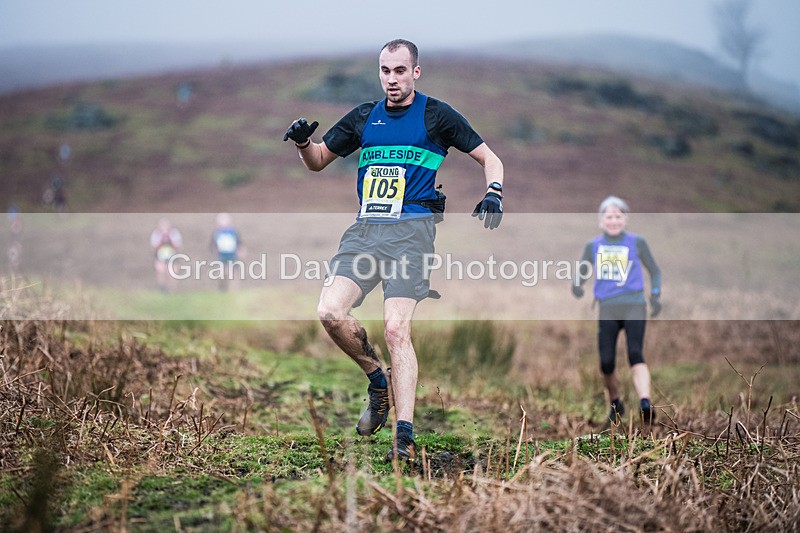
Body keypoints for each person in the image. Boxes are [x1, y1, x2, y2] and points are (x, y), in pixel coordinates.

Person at [283, 39, 505, 462]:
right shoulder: (365, 116)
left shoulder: (437, 115)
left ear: (415, 72)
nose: (392, 79)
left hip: (411, 235)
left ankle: (404, 436)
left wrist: (493, 192)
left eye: (400, 71)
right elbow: (319, 159)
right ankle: (376, 379)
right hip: (365, 233)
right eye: (385, 71)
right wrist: (302, 144)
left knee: (395, 330)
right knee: (330, 312)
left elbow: (490, 158)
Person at [572, 195, 661, 427]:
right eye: (608, 217)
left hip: (634, 305)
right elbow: (582, 271)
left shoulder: (637, 242)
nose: (613, 221)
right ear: (601, 221)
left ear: (625, 219)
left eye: (617, 216)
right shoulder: (593, 246)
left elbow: (654, 270)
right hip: (607, 308)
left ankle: (645, 403)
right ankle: (616, 404)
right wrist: (578, 285)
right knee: (607, 362)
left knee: (635, 353)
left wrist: (656, 295)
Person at [210, 212, 244, 291]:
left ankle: (234, 289)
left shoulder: (233, 231)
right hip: (222, 255)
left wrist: (241, 250)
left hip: (232, 255)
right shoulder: (216, 232)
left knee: (234, 272)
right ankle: (223, 288)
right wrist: (214, 250)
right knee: (223, 273)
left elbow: (239, 242)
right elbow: (212, 244)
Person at [150, 217, 183, 293]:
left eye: (166, 226)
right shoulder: (156, 234)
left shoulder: (174, 233)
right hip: (160, 257)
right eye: (162, 226)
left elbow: (178, 245)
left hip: (172, 257)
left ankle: (172, 291)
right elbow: (153, 247)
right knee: (161, 271)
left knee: (173, 273)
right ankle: (163, 289)